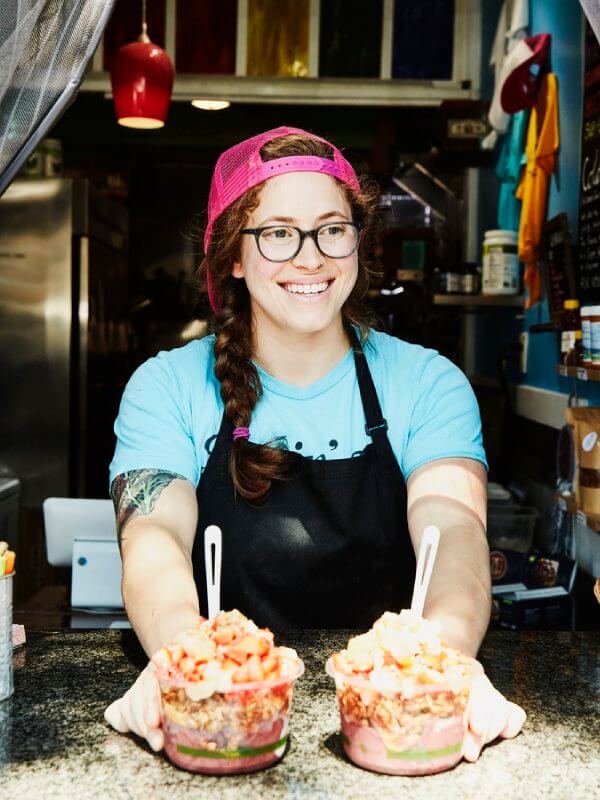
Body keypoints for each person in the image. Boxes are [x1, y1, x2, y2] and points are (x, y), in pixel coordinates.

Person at [104, 126, 526, 758]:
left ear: (357, 242)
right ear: (235, 258)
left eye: (333, 228)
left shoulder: (429, 382)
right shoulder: (165, 386)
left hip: (386, 714)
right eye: (277, 233)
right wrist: (184, 666)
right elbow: (154, 539)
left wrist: (439, 669)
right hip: (228, 715)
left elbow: (456, 533)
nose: (311, 257)